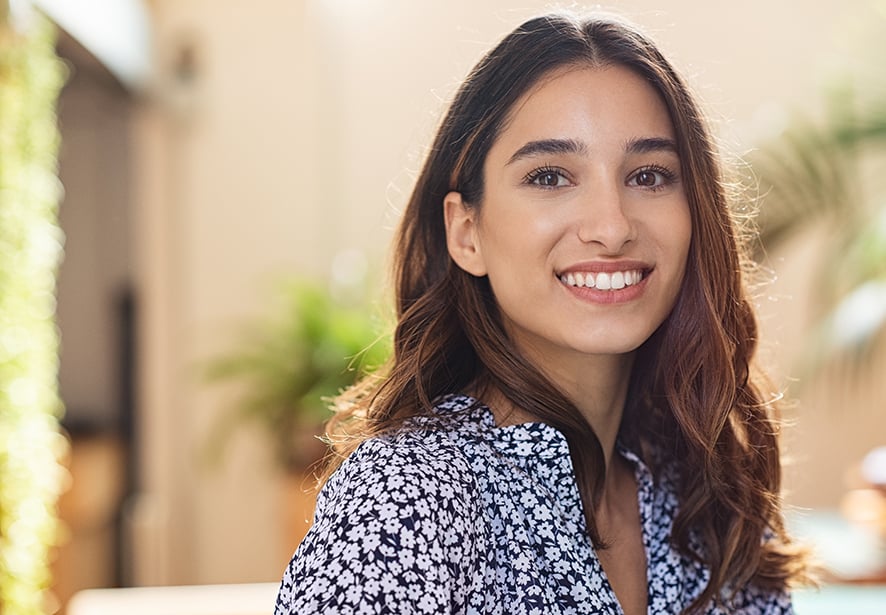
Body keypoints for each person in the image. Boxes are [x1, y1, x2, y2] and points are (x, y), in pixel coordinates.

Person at [274, 10, 808, 615]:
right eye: (550, 176)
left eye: (650, 175)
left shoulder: (710, 492)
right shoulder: (404, 500)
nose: (611, 227)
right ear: (467, 232)